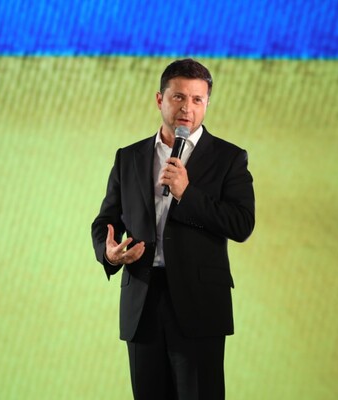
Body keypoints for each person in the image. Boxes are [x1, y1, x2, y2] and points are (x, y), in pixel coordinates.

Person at [91, 58, 255, 399]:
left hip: (200, 306)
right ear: (160, 99)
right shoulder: (129, 157)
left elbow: (241, 223)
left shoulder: (229, 158)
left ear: (207, 103)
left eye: (197, 99)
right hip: (143, 304)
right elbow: (105, 221)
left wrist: (187, 193)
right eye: (178, 97)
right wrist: (109, 253)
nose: (187, 108)